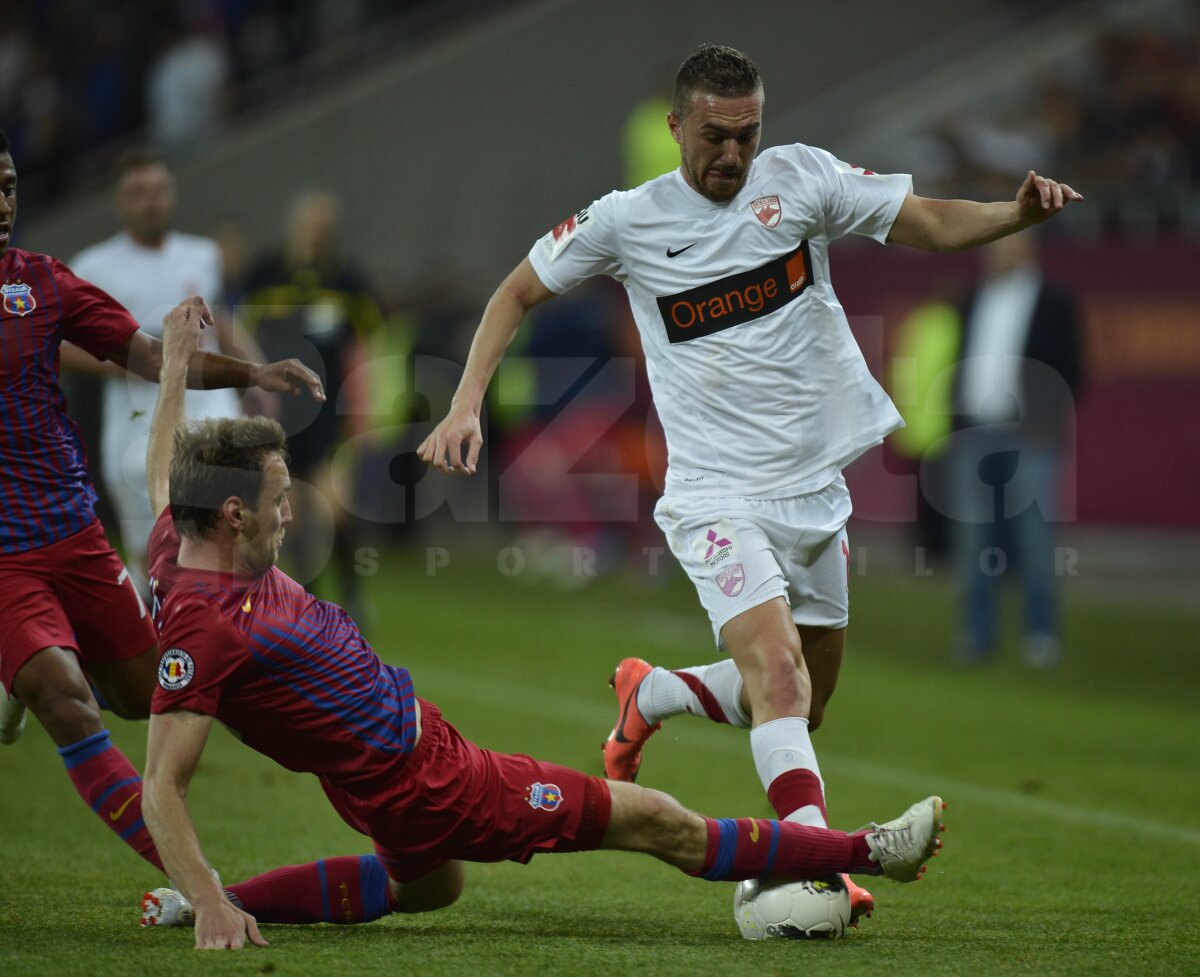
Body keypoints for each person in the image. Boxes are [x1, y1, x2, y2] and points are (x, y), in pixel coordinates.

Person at [417, 44, 1081, 922]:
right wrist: (466, 404)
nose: (731, 155)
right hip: (714, 494)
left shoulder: (801, 180)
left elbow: (923, 219)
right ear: (676, 127)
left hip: (813, 490)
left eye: (746, 135)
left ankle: (652, 692)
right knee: (777, 674)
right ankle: (820, 866)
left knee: (805, 696)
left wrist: (1014, 215)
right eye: (713, 137)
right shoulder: (626, 220)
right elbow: (513, 293)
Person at [138, 301, 946, 950]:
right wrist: (209, 892)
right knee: (657, 820)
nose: (292, 512)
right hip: (433, 782)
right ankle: (866, 851)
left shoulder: (182, 536)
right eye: (279, 500)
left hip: (385, 776)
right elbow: (161, 786)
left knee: (427, 888)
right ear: (235, 514)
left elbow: (164, 471)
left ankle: (204, 904)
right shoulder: (208, 630)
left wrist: (175, 365)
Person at [0, 128, 324, 875]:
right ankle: (196, 881)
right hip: (8, 556)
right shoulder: (92, 263)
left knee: (153, 696)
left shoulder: (44, 280)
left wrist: (254, 370)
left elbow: (148, 354)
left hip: (74, 534)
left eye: (11, 185)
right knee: (68, 696)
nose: (4, 202)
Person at [63, 147, 267, 590]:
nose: (150, 201)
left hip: (213, 407)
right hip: (139, 422)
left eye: (158, 190)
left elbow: (222, 319)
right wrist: (131, 363)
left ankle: (233, 643)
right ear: (120, 201)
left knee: (233, 532)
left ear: (171, 194)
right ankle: (158, 648)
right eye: (138, 193)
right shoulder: (93, 266)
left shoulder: (203, 254)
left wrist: (257, 373)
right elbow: (59, 344)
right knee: (154, 554)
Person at [239, 190, 383, 618]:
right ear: (294, 224)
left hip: (328, 413)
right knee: (293, 515)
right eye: (310, 223)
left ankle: (353, 593)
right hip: (280, 414)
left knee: (334, 510)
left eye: (324, 225)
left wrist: (366, 406)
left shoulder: (347, 279)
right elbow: (239, 338)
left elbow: (369, 345)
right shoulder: (265, 274)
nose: (316, 232)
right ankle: (310, 603)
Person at [944, 232, 1083, 667]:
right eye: (992, 243)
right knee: (973, 541)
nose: (995, 250)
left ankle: (1040, 634)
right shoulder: (974, 298)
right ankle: (977, 632)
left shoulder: (1054, 301)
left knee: (1036, 538)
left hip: (1028, 434)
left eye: (1006, 242)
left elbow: (1074, 367)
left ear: (1028, 248)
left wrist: (1047, 421)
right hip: (974, 435)